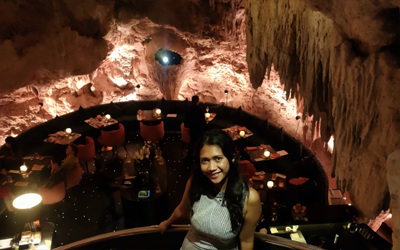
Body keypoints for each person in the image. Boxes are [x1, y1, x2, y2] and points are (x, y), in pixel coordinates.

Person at [156, 129, 262, 250]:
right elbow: (182, 209)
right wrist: (166, 223)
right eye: (205, 160)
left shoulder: (249, 198)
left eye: (218, 159)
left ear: (232, 158)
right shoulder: (195, 183)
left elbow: (246, 240)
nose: (211, 168)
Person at [184, 95, 207, 160]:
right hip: (199, 129)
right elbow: (203, 121)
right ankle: (199, 156)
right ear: (198, 101)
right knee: (199, 142)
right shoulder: (200, 109)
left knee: (192, 142)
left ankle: (190, 156)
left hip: (192, 128)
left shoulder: (189, 109)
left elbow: (186, 119)